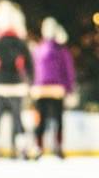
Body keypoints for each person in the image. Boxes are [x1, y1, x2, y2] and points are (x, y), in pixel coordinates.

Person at [0, 2, 34, 158]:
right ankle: (22, 148)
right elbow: (30, 64)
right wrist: (31, 81)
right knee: (18, 118)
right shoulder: (20, 42)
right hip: (17, 85)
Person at [31, 19, 77, 159]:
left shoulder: (38, 49)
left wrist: (32, 86)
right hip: (57, 89)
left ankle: (38, 147)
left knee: (41, 119)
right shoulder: (62, 50)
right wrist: (70, 89)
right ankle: (58, 146)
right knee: (58, 119)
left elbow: (33, 70)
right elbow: (68, 71)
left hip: (41, 89)